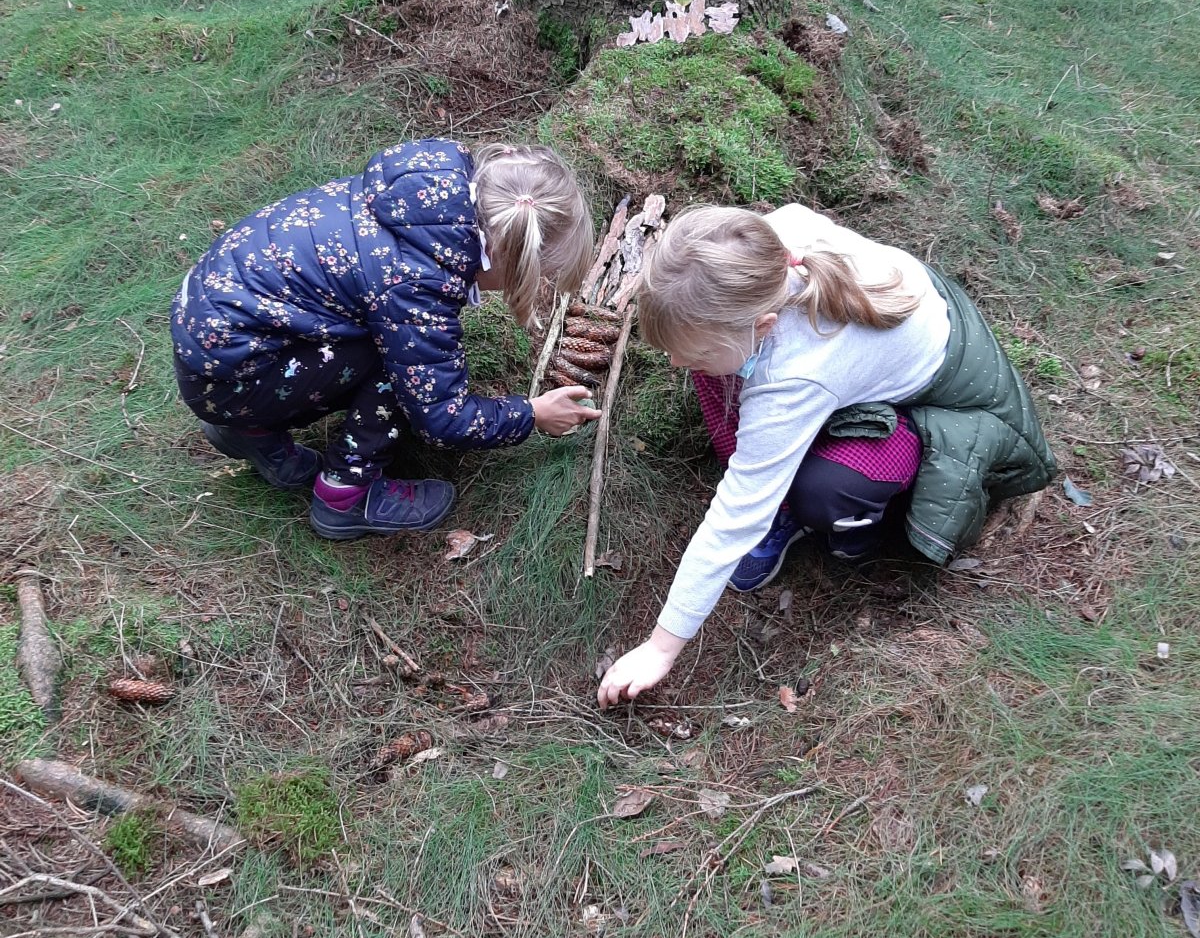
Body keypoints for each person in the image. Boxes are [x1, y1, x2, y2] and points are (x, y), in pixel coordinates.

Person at [597, 203, 1055, 708]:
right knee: (717, 372)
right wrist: (706, 358)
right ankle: (774, 451)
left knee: (826, 489)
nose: (675, 362)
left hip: (952, 401)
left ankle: (851, 531)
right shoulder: (759, 248)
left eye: (695, 350)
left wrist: (660, 649)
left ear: (764, 326)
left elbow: (734, 517)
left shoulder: (795, 377)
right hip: (896, 325)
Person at [172, 138, 600, 540]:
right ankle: (345, 496)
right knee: (399, 364)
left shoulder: (426, 195)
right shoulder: (415, 283)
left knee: (399, 342)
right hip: (231, 381)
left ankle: (251, 432)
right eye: (538, 275)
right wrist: (531, 414)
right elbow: (443, 417)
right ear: (510, 255)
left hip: (216, 345)